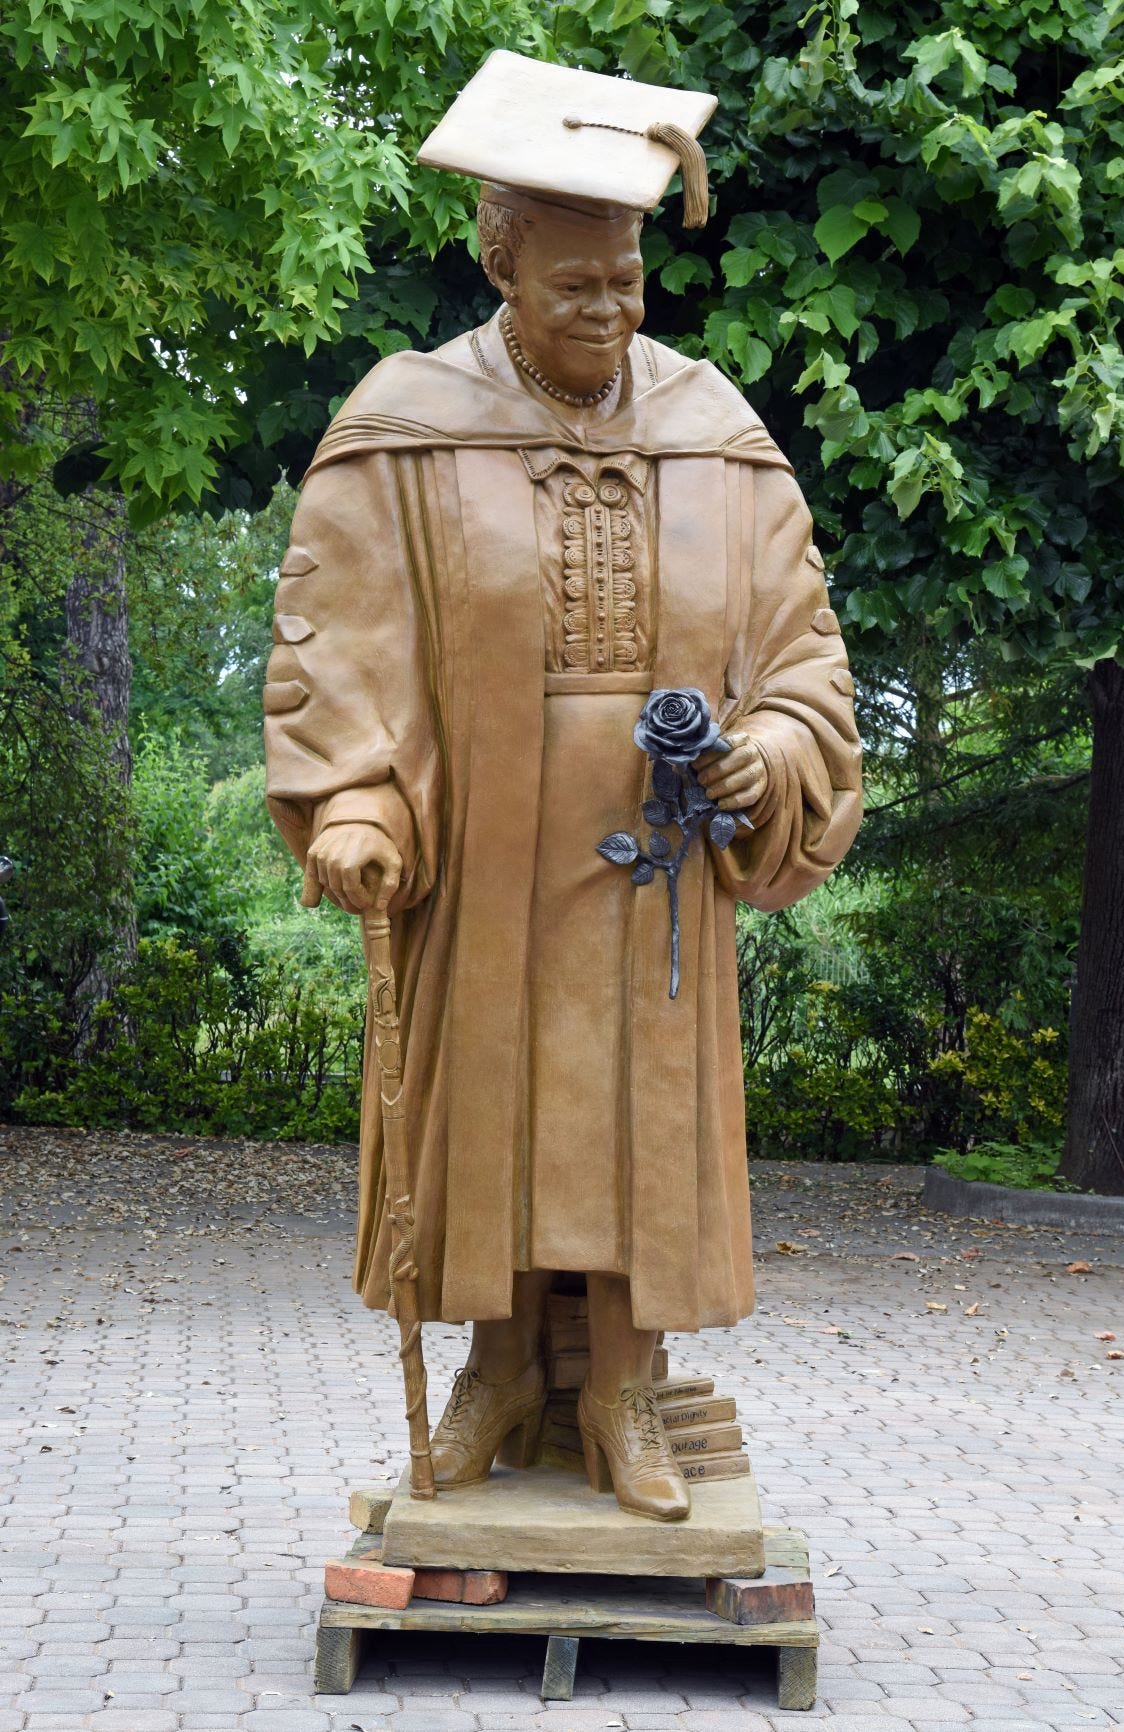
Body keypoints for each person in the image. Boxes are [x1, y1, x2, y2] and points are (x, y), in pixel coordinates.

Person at [264, 51, 862, 1523]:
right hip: (486, 853)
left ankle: (619, 1389)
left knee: (631, 1118)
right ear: (501, 269)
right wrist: (355, 797)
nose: (610, 310)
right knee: (494, 1112)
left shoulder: (715, 434)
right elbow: (343, 636)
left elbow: (807, 666)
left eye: (627, 279)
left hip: (656, 864)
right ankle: (495, 1369)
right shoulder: (406, 423)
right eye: (574, 284)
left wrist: (762, 755)